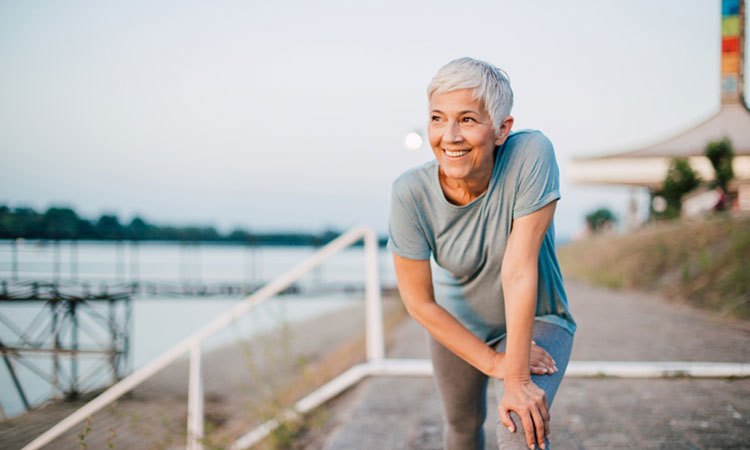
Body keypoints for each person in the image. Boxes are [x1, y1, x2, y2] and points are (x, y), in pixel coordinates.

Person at [387, 57, 576, 450]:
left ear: (502, 129)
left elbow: (519, 269)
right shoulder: (410, 193)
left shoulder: (530, 154)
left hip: (538, 316)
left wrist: (518, 378)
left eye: (468, 120)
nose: (450, 136)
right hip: (459, 321)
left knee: (518, 427)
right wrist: (494, 362)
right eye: (438, 118)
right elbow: (418, 301)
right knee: (460, 427)